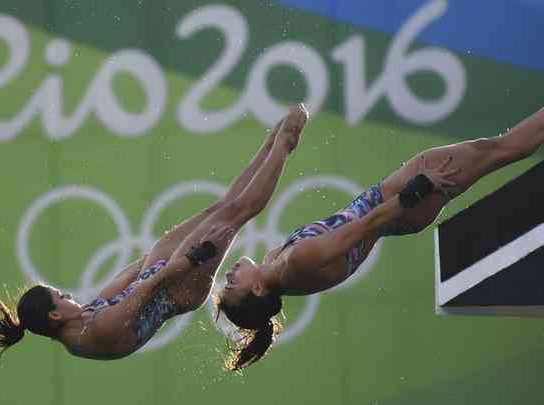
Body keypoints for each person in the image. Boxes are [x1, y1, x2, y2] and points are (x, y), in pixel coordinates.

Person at [214, 106, 544, 370]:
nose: (228, 275)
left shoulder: (276, 259)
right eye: (232, 285)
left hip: (392, 197)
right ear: (257, 289)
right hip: (401, 204)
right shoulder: (298, 264)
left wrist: (278, 140)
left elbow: (238, 202)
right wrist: (419, 187)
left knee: (498, 148)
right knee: (505, 148)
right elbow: (366, 226)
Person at [0, 104, 310, 360]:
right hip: (178, 285)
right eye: (61, 296)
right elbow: (149, 288)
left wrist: (153, 253)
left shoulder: (79, 322)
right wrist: (190, 258)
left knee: (220, 209)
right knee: (237, 213)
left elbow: (130, 275)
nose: (68, 295)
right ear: (55, 314)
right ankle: (284, 144)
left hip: (160, 272)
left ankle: (271, 142)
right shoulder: (94, 333)